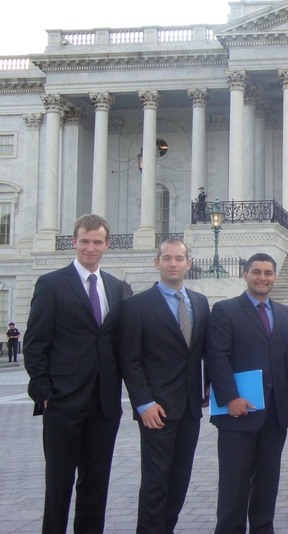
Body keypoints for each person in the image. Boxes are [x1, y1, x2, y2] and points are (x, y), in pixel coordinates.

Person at [24, 214, 128, 534]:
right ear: (74, 242)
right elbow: (35, 342)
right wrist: (43, 392)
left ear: (107, 244)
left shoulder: (119, 288)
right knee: (58, 484)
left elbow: (123, 343)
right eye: (84, 241)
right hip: (62, 401)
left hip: (104, 403)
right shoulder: (52, 284)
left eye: (97, 242)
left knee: (96, 484)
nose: (90, 248)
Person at [206, 253, 288, 534]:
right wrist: (230, 397)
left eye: (268, 273)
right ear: (245, 275)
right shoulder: (225, 310)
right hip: (238, 412)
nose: (263, 278)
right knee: (234, 484)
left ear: (275, 277)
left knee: (267, 483)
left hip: (274, 414)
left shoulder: (284, 313)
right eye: (257, 272)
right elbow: (217, 357)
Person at [119, 238, 210, 534]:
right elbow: (129, 361)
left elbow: (204, 352)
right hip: (156, 410)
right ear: (156, 262)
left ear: (188, 263)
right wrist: (143, 403)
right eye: (167, 258)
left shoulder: (199, 302)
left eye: (179, 258)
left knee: (179, 480)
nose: (173, 264)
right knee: (155, 482)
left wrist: (207, 388)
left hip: (190, 408)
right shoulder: (136, 305)